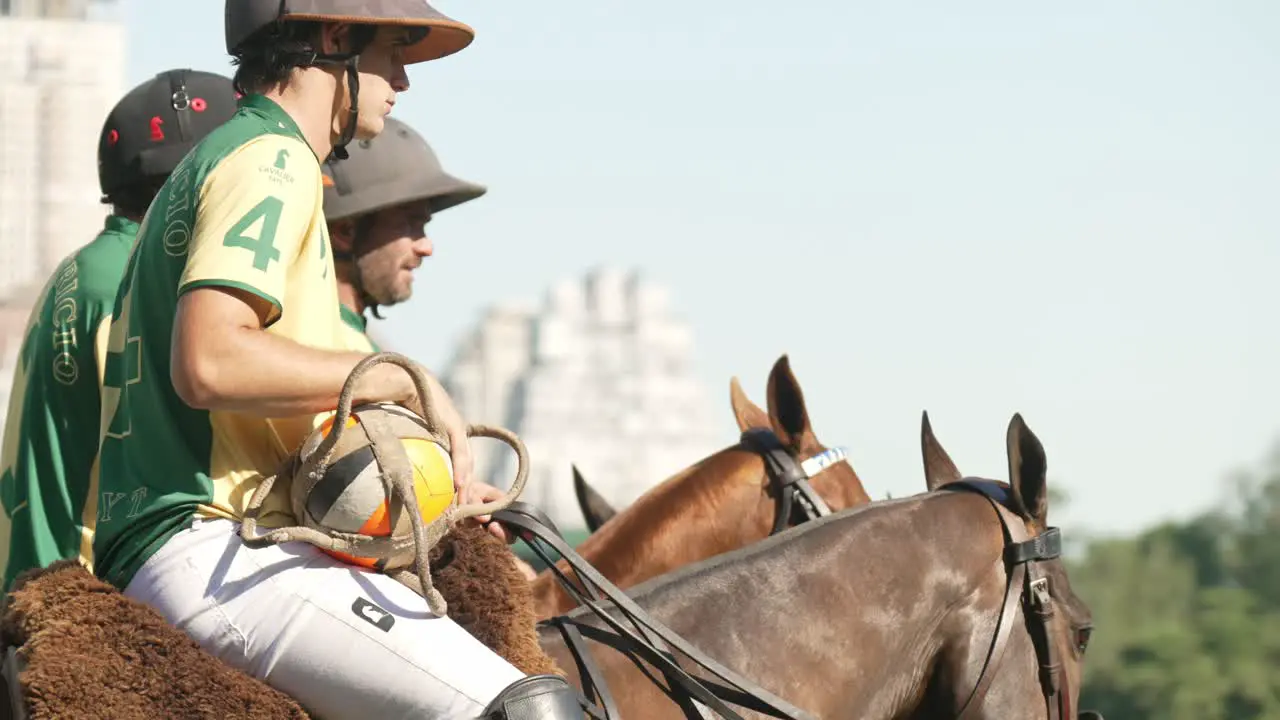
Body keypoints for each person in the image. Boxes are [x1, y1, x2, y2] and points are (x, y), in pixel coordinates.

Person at [92, 3, 581, 718]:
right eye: (394, 49)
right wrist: (397, 378)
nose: (405, 79)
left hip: (195, 544)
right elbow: (209, 360)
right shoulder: (273, 157)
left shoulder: (224, 155)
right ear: (335, 37)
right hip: (213, 547)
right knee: (530, 710)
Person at [0, 69, 238, 593]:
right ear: (203, 181)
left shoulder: (94, 268)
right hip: (84, 601)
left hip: (42, 592)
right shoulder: (136, 287)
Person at [321, 117, 539, 578]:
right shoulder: (319, 343)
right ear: (345, 232)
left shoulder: (359, 344)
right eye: (410, 225)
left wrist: (453, 498)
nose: (427, 247)